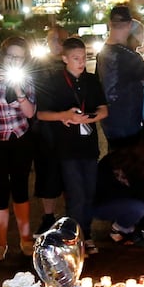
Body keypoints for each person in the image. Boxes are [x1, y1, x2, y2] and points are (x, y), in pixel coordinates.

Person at [35, 37, 108, 250]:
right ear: (64, 58)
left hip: (89, 144)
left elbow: (104, 109)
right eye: (76, 58)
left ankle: (85, 232)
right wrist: (64, 115)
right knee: (75, 193)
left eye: (84, 57)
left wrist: (89, 118)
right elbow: (41, 114)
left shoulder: (92, 80)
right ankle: (78, 238)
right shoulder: (54, 81)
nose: (81, 62)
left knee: (89, 191)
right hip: (66, 146)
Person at [0, 36, 38, 260]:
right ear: (3, 55)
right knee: (0, 192)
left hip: (20, 138)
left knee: (21, 189)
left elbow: (30, 113)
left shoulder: (27, 78)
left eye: (19, 58)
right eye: (11, 56)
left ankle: (25, 238)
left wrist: (19, 91)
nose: (14, 61)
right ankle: (0, 242)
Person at [99, 5, 144, 152]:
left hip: (108, 120)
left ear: (109, 23)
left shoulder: (102, 53)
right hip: (128, 122)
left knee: (115, 164)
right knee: (129, 165)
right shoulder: (128, 55)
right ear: (129, 24)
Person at [30, 25, 69, 234]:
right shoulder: (37, 65)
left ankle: (72, 215)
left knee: (70, 174)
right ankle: (48, 217)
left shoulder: (71, 62)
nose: (56, 44)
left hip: (69, 128)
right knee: (47, 175)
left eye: (60, 40)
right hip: (44, 129)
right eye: (52, 40)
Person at [94, 143, 144, 244]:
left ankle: (124, 226)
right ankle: (118, 229)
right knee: (139, 208)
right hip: (98, 206)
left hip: (92, 198)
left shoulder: (119, 156)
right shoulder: (137, 176)